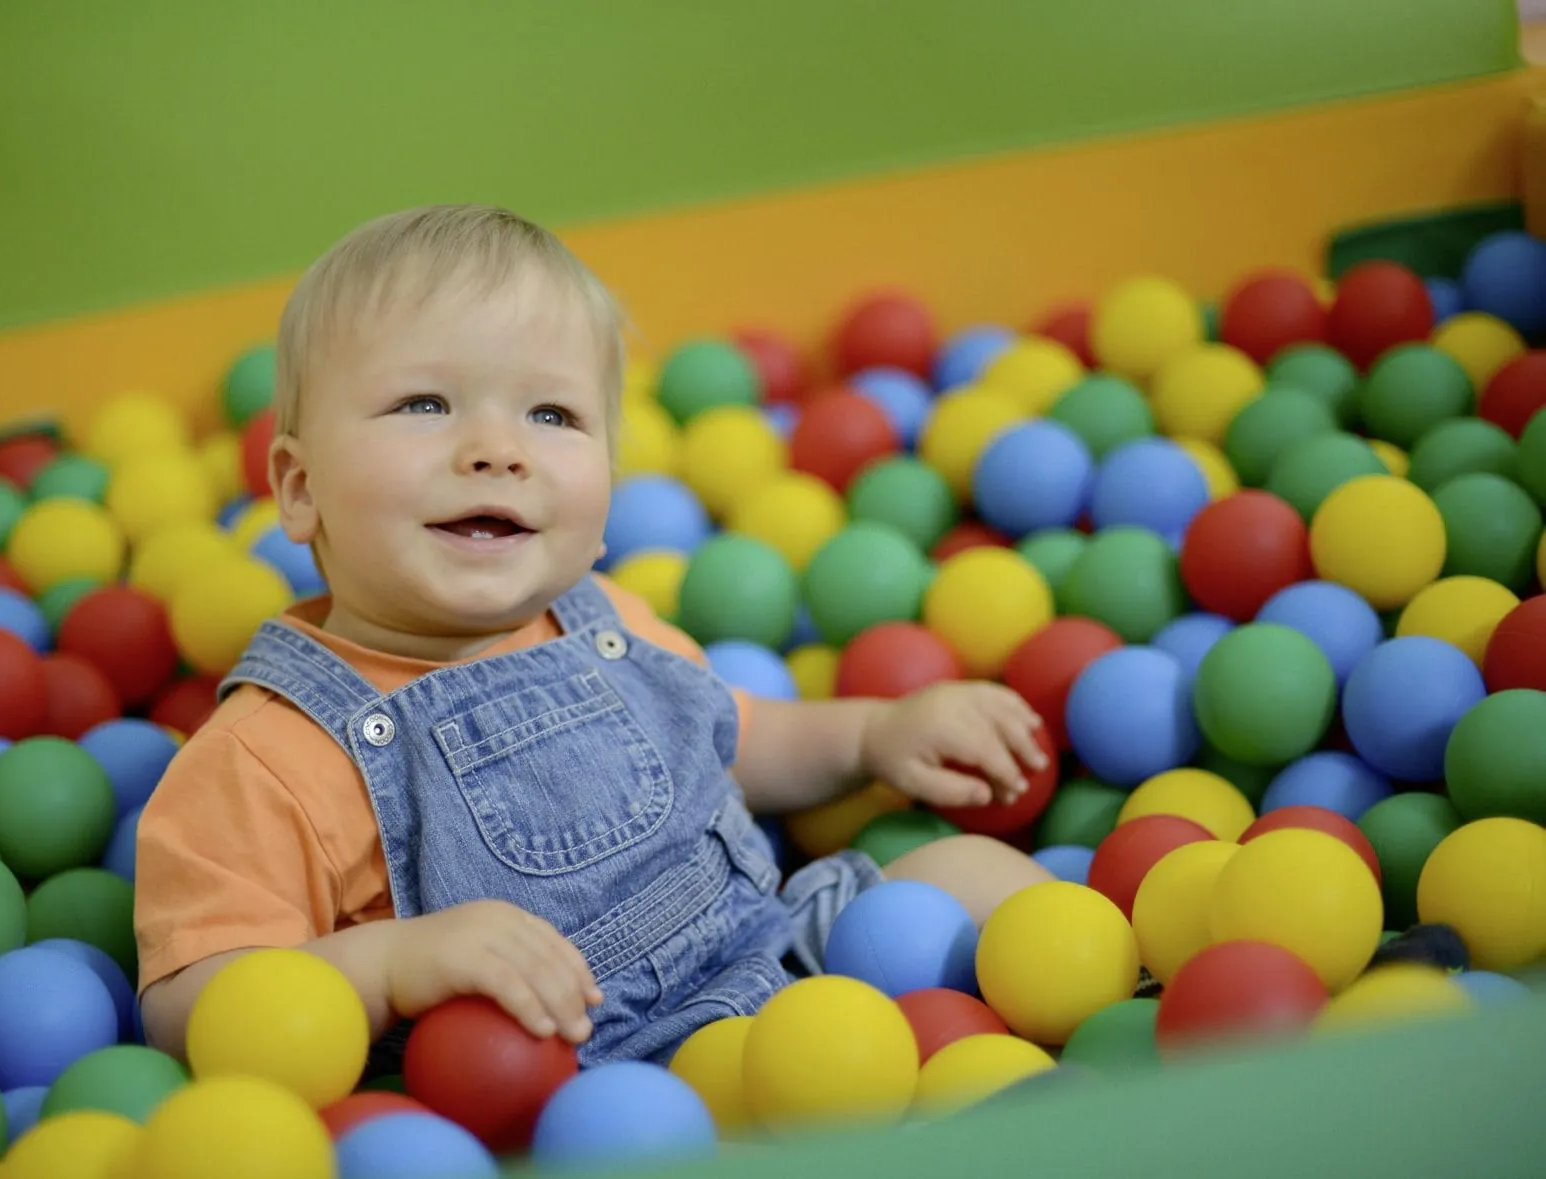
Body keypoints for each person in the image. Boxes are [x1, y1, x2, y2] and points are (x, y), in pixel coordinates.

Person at [133, 203, 1058, 1068]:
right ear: (299, 488)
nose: (498, 449)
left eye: (553, 415)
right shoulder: (264, 756)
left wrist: (874, 736)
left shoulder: (607, 622)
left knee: (969, 875)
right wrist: (393, 964)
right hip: (561, 1087)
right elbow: (192, 1003)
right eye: (424, 404)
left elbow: (741, 739)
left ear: (606, 497)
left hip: (780, 961)